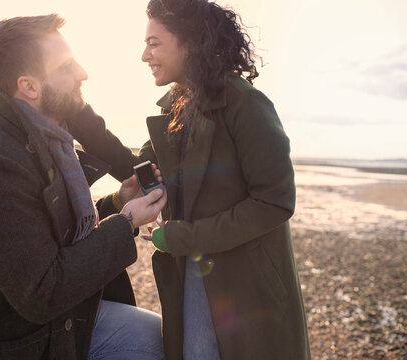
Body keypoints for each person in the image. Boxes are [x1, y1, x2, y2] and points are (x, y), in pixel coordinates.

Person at [68, 0, 311, 359]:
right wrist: (77, 112)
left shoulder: (247, 105)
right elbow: (138, 170)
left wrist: (182, 237)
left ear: (191, 41)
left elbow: (275, 203)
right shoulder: (179, 109)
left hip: (246, 284)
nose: (144, 55)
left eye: (154, 43)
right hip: (192, 273)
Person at [0, 14, 167, 360]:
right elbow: (43, 291)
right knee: (158, 346)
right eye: (67, 66)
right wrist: (126, 222)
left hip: (61, 319)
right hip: (20, 342)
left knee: (165, 337)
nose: (83, 73)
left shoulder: (43, 137)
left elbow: (55, 237)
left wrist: (118, 202)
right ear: (29, 86)